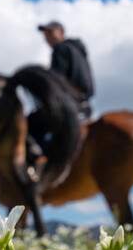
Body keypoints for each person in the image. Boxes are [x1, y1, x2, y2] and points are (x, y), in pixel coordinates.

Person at [26, 20, 93, 170]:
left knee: (27, 124)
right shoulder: (78, 51)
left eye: (51, 32)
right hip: (84, 106)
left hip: (68, 104)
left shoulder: (60, 49)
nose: (48, 37)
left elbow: (57, 82)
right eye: (45, 34)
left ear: (62, 32)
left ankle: (38, 160)